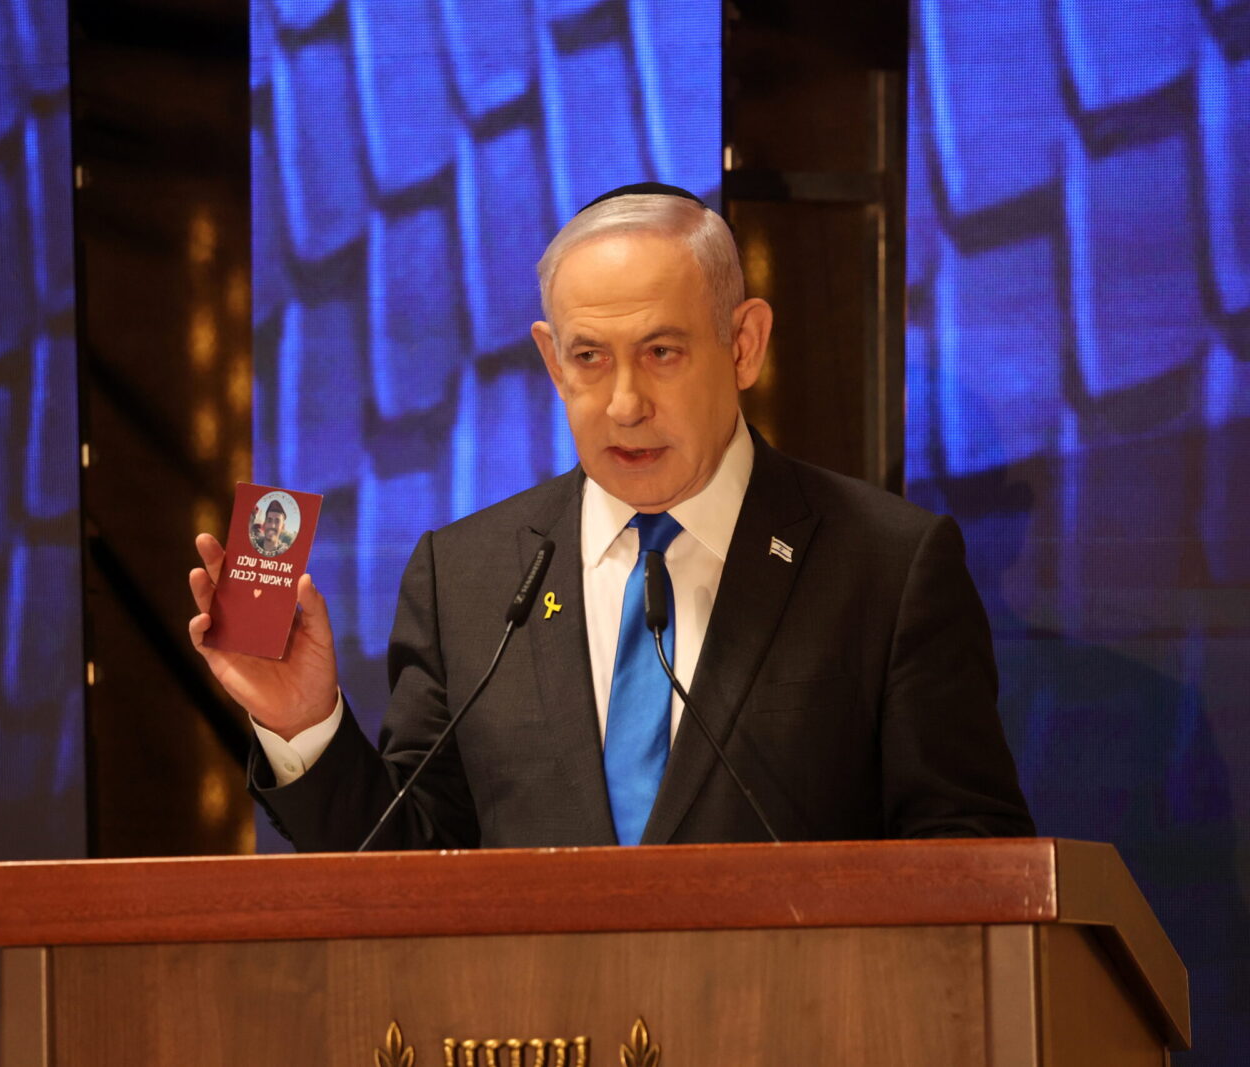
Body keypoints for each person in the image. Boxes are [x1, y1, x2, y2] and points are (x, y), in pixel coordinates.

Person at [189, 182, 1034, 851]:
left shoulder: (887, 567)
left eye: (662, 353)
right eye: (590, 358)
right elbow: (409, 866)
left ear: (744, 344)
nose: (625, 404)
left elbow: (968, 862)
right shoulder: (467, 577)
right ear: (553, 362)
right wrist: (304, 723)